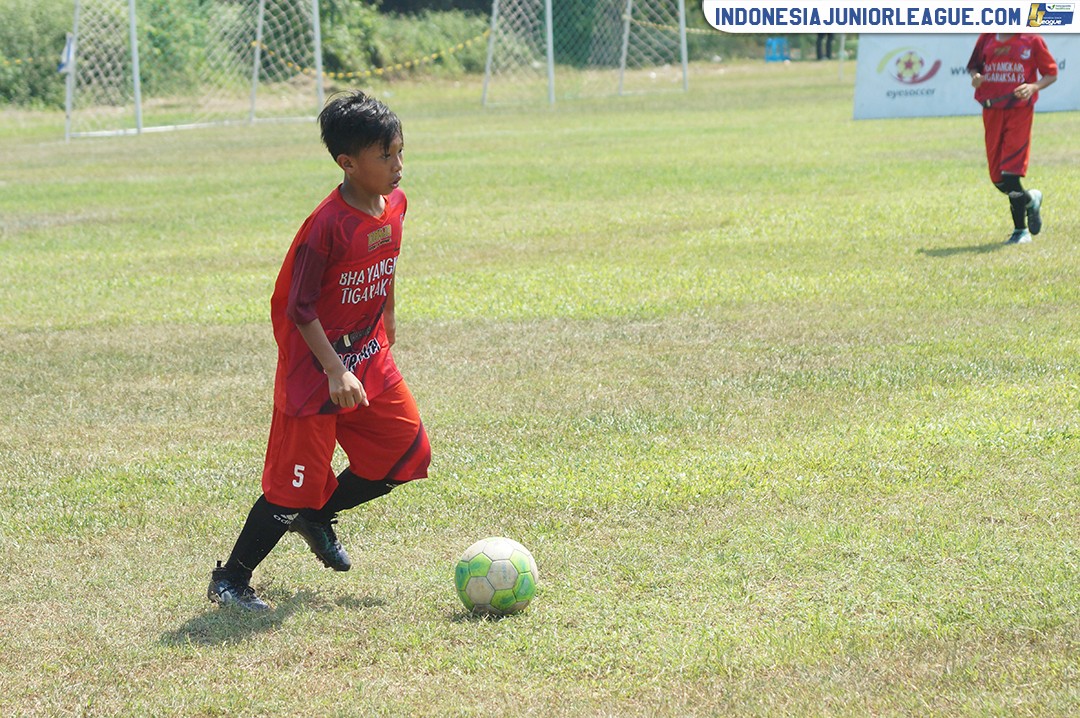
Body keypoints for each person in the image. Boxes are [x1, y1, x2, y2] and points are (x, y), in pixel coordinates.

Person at [208, 91, 431, 611]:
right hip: (317, 369)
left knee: (403, 451)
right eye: (386, 156)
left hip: (367, 353)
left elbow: (388, 260)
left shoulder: (394, 203)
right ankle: (232, 579)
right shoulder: (325, 227)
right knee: (291, 487)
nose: (399, 165)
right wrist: (335, 370)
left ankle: (317, 515)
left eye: (401, 151)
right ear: (347, 163)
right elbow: (299, 310)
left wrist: (388, 321)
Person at [967, 33, 1057, 244]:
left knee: (1010, 173)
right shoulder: (986, 38)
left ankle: (1020, 231)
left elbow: (1051, 74)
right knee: (998, 179)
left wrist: (1034, 86)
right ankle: (1031, 199)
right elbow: (974, 66)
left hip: (1019, 111)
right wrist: (976, 77)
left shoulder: (1032, 40)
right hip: (991, 110)